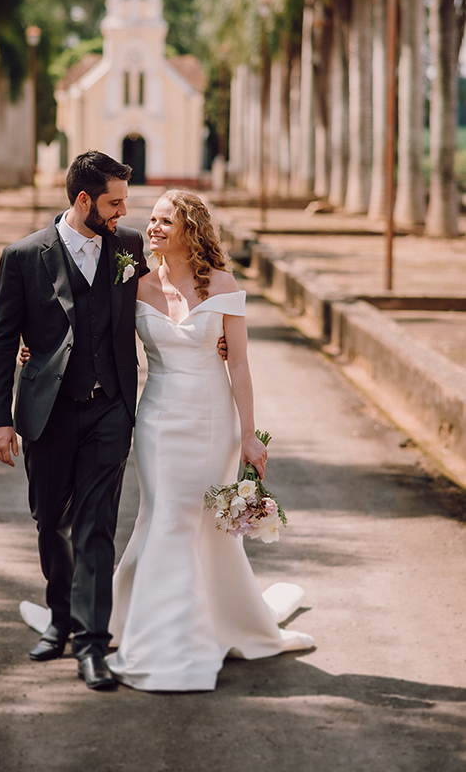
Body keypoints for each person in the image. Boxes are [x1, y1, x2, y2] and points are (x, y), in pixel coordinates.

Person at [106, 190, 314, 692]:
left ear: (189, 229)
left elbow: (238, 362)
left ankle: (210, 621)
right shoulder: (131, 284)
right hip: (157, 420)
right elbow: (94, 339)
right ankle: (166, 639)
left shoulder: (222, 284)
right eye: (150, 219)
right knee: (166, 518)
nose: (151, 227)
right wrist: (33, 349)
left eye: (163, 220)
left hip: (214, 420)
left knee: (202, 522)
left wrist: (248, 434)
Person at [0, 150, 149, 692]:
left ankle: (92, 644)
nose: (125, 211)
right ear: (84, 200)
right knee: (50, 519)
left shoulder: (128, 247)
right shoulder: (24, 256)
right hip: (47, 413)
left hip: (110, 410)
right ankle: (59, 617)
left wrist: (213, 331)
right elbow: (2, 340)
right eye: (115, 202)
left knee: (97, 526)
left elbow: (159, 303)